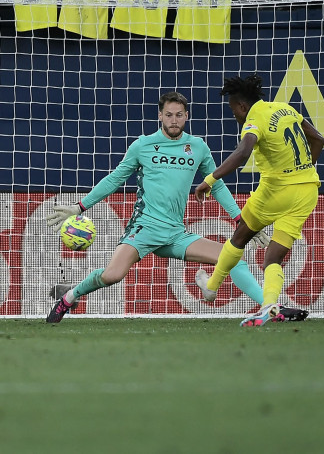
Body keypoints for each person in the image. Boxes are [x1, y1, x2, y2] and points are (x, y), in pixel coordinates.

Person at [45, 91, 309, 324]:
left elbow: (216, 185)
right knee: (113, 275)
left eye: (179, 115)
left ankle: (270, 308)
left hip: (175, 233)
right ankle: (69, 297)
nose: (174, 120)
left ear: (186, 116)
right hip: (144, 229)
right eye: (169, 115)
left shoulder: (198, 147)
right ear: (160, 115)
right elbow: (115, 179)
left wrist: (241, 218)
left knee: (233, 257)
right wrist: (80, 207)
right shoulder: (142, 145)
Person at [193, 75, 324, 327]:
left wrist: (210, 179)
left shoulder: (254, 120)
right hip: (307, 191)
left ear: (242, 106)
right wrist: (301, 172)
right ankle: (269, 304)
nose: (234, 114)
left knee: (240, 236)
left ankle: (211, 286)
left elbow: (243, 152)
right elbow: (319, 139)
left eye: (233, 109)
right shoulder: (286, 109)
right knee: (273, 258)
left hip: (275, 192)